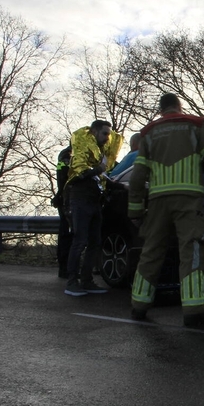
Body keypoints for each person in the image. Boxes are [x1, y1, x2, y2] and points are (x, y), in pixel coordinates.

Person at [129, 94, 204, 327]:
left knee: (151, 251)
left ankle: (139, 305)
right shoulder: (194, 125)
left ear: (161, 110)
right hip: (188, 198)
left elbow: (138, 176)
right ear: (179, 107)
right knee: (191, 250)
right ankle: (194, 310)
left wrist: (135, 210)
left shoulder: (149, 133)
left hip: (158, 200)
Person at [64, 120, 124, 297]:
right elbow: (80, 173)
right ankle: (72, 282)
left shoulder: (102, 155)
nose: (107, 138)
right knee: (79, 241)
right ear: (95, 132)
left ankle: (87, 280)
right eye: (105, 133)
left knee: (95, 242)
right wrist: (97, 169)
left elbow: (104, 179)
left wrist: (122, 186)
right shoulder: (82, 152)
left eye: (109, 134)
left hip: (94, 202)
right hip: (81, 200)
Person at [51, 144, 73, 278]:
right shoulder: (68, 156)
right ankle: (65, 268)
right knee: (67, 234)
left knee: (66, 234)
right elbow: (65, 178)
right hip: (67, 200)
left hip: (65, 198)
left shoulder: (66, 155)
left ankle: (65, 267)